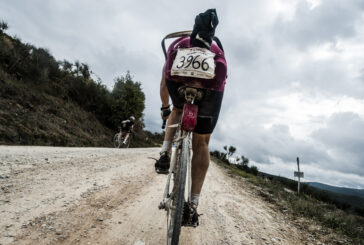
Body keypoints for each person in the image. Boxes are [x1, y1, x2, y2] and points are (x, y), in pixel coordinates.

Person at [156, 9, 227, 226]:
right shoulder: (216, 49)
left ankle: (165, 154)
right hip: (210, 91)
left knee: (177, 111)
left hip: (178, 86)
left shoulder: (177, 45)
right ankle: (193, 206)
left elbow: (163, 85)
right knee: (202, 142)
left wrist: (165, 108)